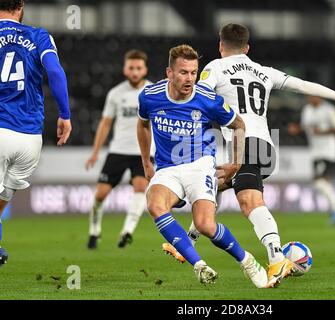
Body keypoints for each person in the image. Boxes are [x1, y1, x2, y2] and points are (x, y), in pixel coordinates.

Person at [163, 23, 335, 287]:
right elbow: (302, 85)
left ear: (220, 45)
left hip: (245, 144)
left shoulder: (214, 68)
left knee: (250, 202)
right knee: (212, 183)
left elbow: (198, 95)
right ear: (247, 48)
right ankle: (187, 243)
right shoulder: (264, 71)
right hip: (265, 145)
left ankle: (276, 259)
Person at [137, 44, 269, 288]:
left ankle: (247, 260)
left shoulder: (208, 100)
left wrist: (236, 163)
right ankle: (199, 265)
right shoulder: (149, 96)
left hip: (200, 165)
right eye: (183, 72)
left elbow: (239, 124)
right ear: (169, 73)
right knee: (155, 204)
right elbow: (143, 124)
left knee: (205, 225)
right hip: (167, 167)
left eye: (194, 72)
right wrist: (146, 160)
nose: (190, 79)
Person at [0, 0, 72, 266]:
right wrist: (65, 115)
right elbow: (54, 71)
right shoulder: (38, 35)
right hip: (30, 138)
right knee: (3, 197)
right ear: (20, 8)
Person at [85, 50, 154, 249]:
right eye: (131, 67)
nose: (134, 71)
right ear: (125, 69)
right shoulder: (115, 93)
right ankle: (94, 230)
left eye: (138, 68)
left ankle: (127, 231)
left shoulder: (154, 92)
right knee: (100, 195)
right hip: (118, 150)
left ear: (145, 69)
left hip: (144, 152)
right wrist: (95, 152)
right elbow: (105, 124)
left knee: (141, 188)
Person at [288, 96, 335, 224]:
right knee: (323, 182)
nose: (311, 98)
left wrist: (323, 132)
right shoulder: (307, 110)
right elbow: (305, 127)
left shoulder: (329, 109)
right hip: (315, 151)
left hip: (328, 151)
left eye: (314, 95)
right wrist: (296, 129)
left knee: (319, 181)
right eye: (309, 95)